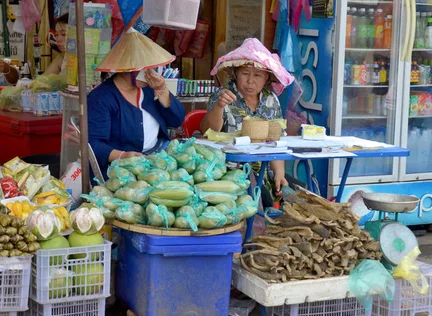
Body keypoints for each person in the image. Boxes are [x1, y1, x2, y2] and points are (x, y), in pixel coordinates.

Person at [200, 38, 294, 202]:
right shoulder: (223, 95)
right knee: (258, 200)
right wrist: (219, 106)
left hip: (263, 172)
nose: (251, 81)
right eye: (245, 74)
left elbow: (277, 141)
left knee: (288, 198)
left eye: (258, 75)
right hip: (228, 173)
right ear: (235, 74)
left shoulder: (270, 99)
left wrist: (279, 174)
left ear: (266, 78)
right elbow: (208, 133)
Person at [88, 28, 185, 178]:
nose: (151, 72)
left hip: (157, 159)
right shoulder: (101, 98)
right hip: (122, 172)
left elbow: (177, 120)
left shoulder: (149, 90)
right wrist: (123, 156)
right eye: (146, 68)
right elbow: (93, 144)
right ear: (128, 69)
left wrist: (162, 89)